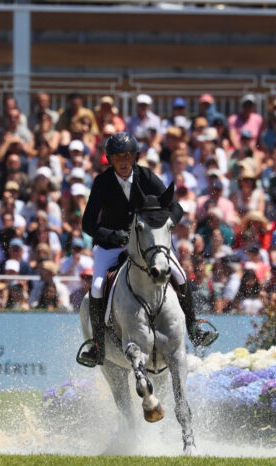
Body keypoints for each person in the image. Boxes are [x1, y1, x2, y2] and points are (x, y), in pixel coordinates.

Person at [81, 132, 217, 367]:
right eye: (118, 157)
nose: (123, 162)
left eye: (128, 156)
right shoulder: (102, 182)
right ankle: (97, 346)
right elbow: (88, 224)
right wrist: (114, 236)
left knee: (180, 274)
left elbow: (175, 207)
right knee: (96, 287)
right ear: (110, 159)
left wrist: (165, 225)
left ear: (135, 157)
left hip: (150, 244)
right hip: (112, 246)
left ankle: (194, 328)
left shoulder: (146, 176)